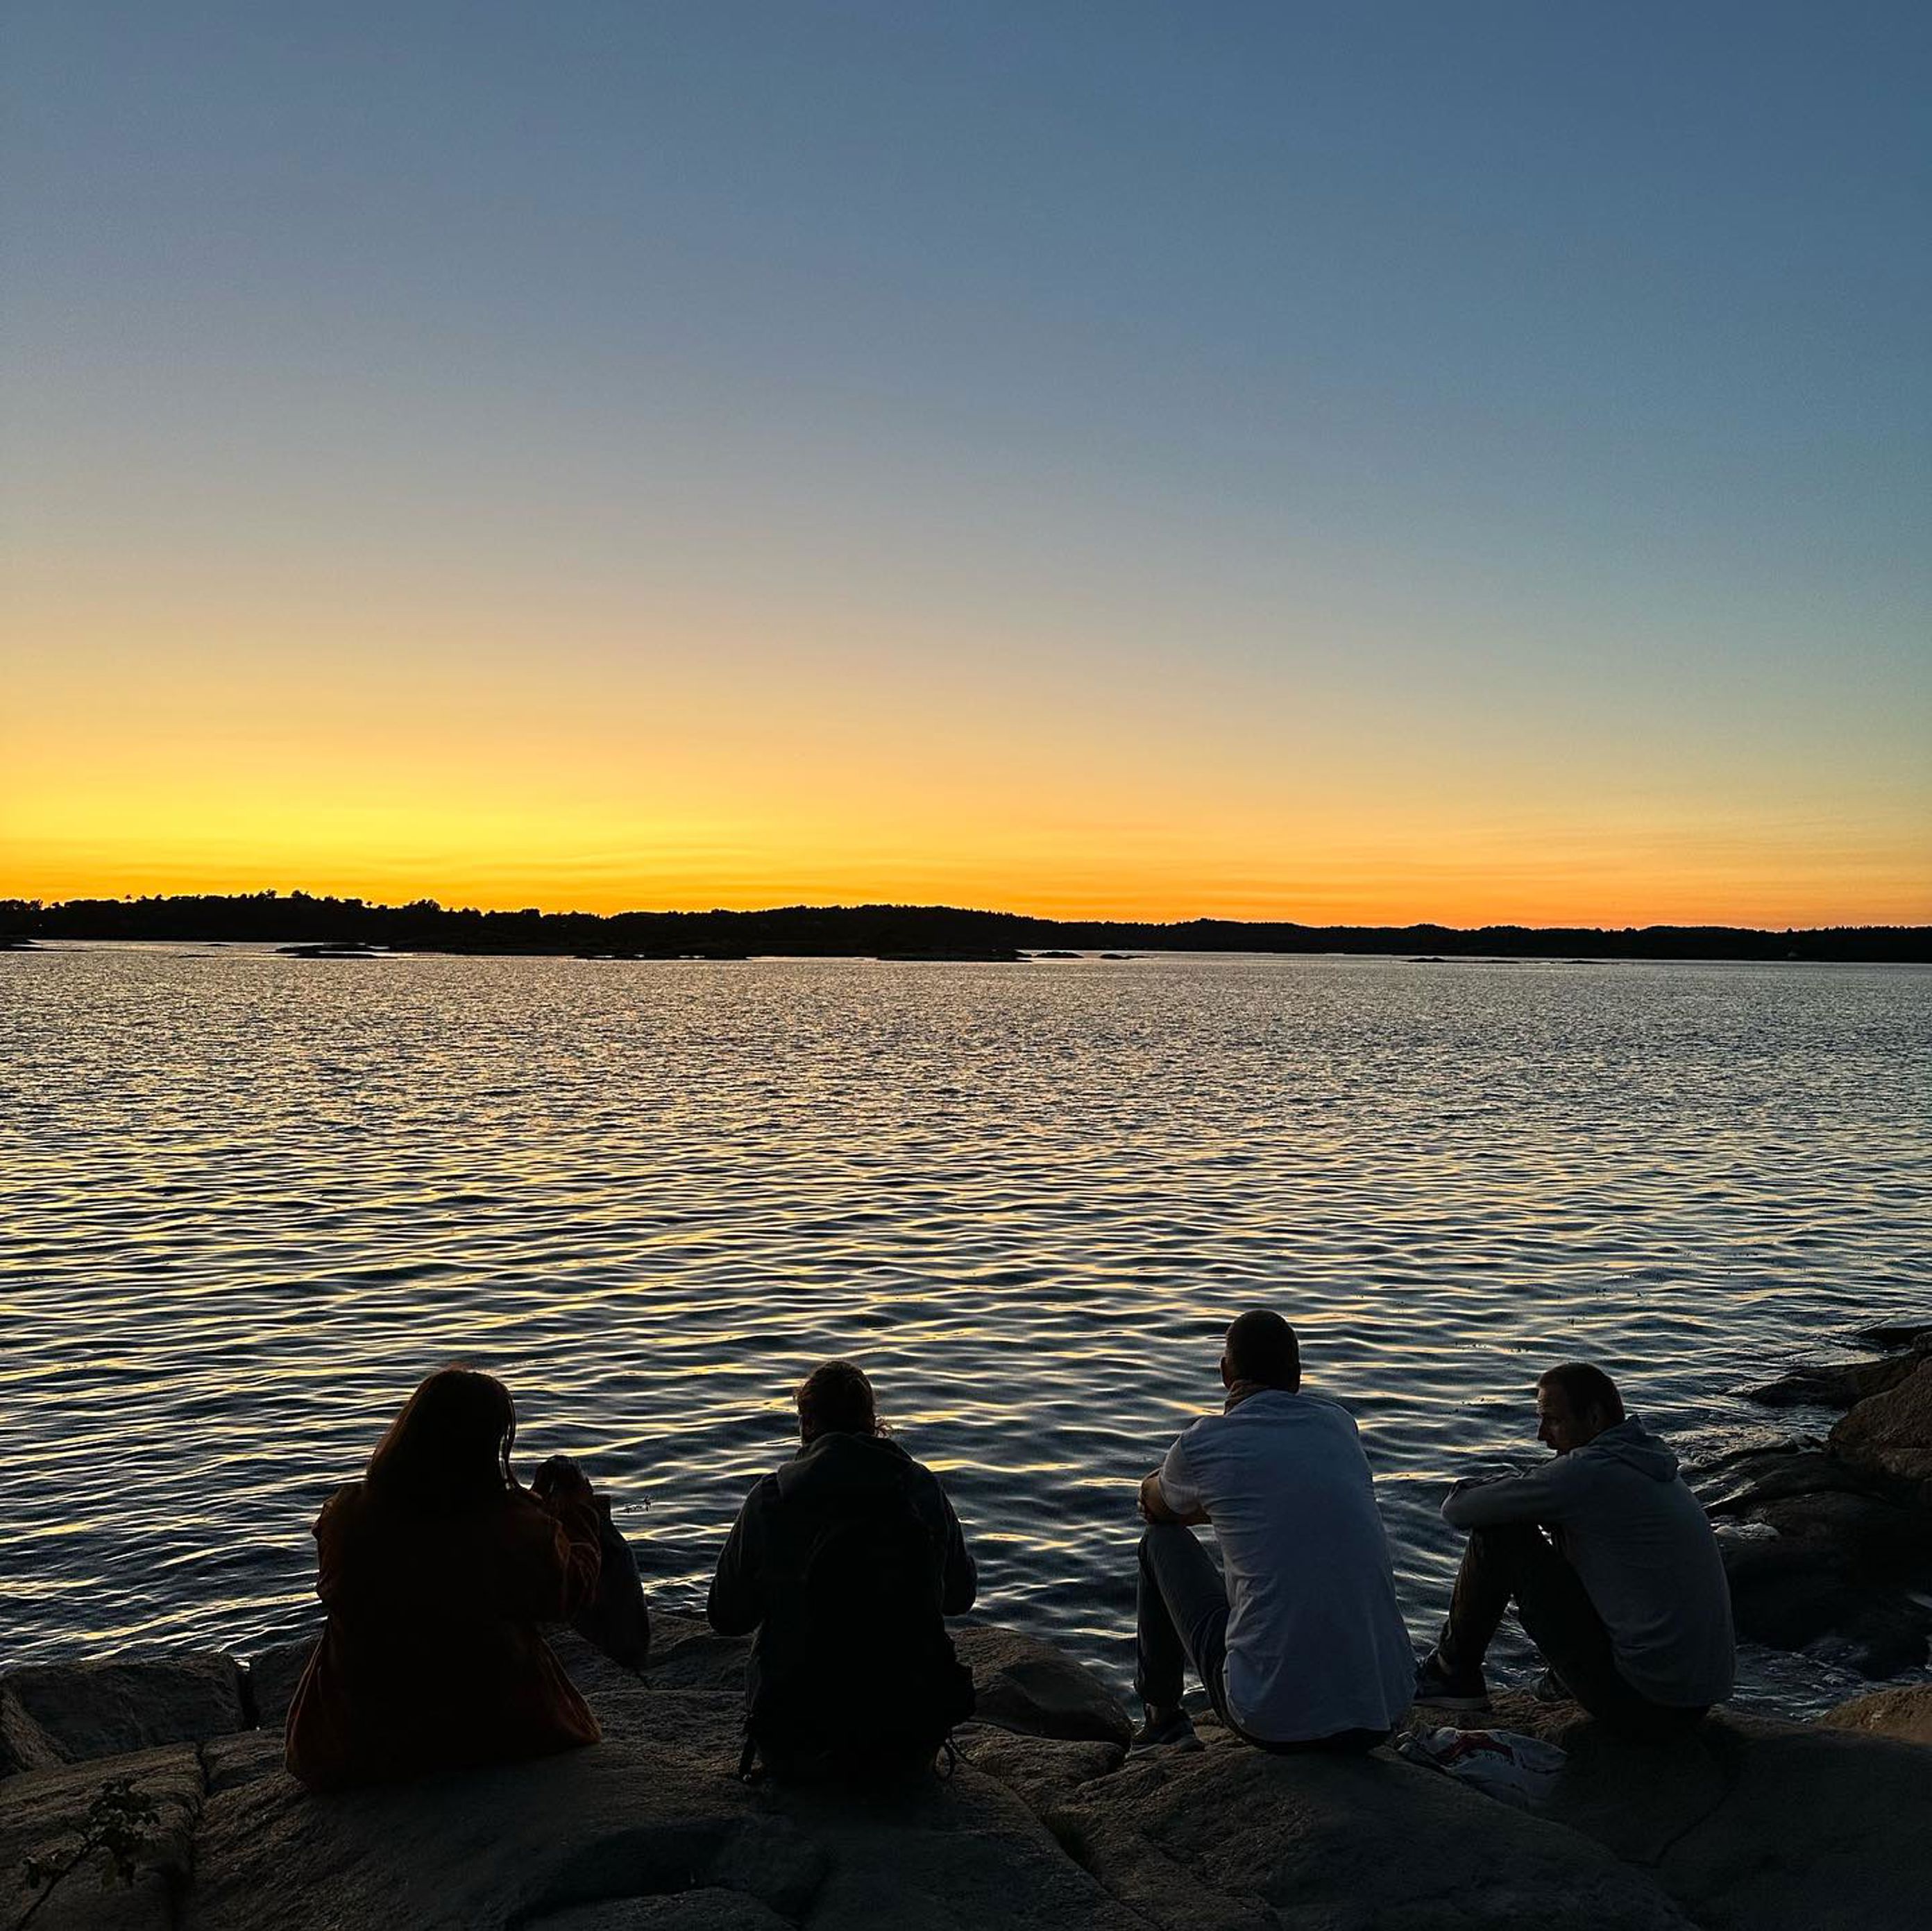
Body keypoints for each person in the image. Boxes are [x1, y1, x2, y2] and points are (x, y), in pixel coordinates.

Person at [285, 1365, 639, 1789]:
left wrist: (530, 1513)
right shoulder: (510, 1527)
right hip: (490, 1732)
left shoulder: (345, 1515)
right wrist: (579, 1514)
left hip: (349, 1741)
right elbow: (570, 1592)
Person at [1133, 1310, 1414, 1753]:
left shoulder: (1203, 1444)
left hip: (1274, 1718)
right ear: (1298, 1377)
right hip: (1387, 1708)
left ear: (1226, 1373)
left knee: (1159, 1543)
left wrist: (1180, 1491)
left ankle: (1163, 1720)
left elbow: (1154, 1505)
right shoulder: (1339, 1426)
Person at [1413, 1363, 1734, 1739]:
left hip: (1647, 1704)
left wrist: (1511, 1485)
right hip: (1694, 1698)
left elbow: (1458, 1510)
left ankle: (1452, 1674)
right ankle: (1561, 1681)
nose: (1541, 1435)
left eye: (1552, 1421)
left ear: (1594, 1418)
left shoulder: (1589, 1473)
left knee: (1500, 1534)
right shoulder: (1646, 1462)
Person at [708, 1360, 977, 1780]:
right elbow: (960, 1597)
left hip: (796, 1747)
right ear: (873, 1423)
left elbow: (725, 1617)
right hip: (906, 1746)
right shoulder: (920, 1489)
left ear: (807, 1423)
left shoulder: (772, 1499)